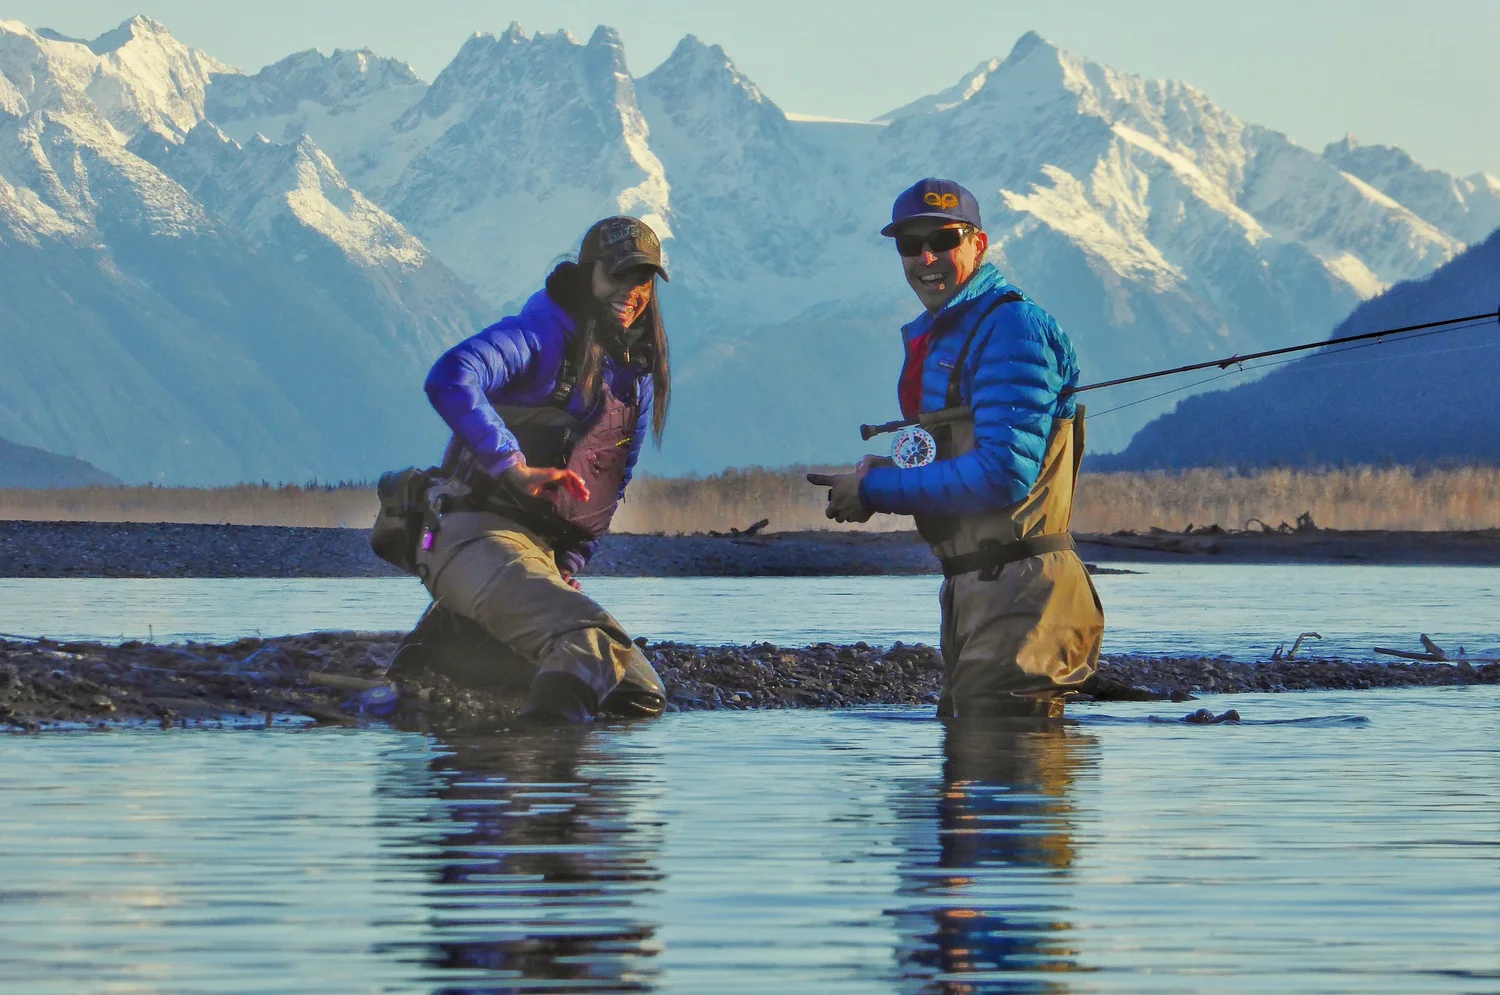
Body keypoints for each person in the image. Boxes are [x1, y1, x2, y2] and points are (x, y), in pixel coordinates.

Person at [809, 179, 1104, 719]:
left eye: (943, 239)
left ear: (978, 244)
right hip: (981, 589)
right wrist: (888, 468)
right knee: (971, 765)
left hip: (1023, 595)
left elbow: (1002, 474)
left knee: (1002, 765)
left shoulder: (1012, 328)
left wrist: (874, 490)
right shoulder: (956, 330)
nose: (926, 257)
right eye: (908, 244)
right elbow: (972, 453)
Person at [390, 216, 671, 722]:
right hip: (467, 531)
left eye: (642, 281)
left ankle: (453, 647)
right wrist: (511, 465)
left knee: (638, 695)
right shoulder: (538, 335)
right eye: (616, 277)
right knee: (589, 644)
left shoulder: (635, 377)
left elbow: (613, 479)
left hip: (538, 554)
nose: (630, 293)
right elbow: (451, 376)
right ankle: (549, 782)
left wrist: (569, 565)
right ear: (588, 275)